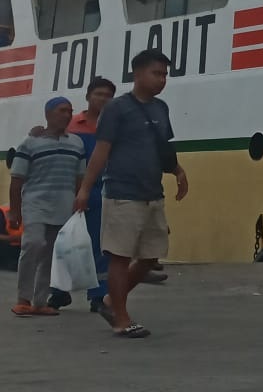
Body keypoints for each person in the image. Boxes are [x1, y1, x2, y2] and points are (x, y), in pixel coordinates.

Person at [75, 50, 188, 338]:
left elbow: (163, 148)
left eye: (165, 74)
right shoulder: (117, 109)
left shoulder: (161, 108)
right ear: (137, 74)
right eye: (156, 73)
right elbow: (102, 151)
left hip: (153, 192)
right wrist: (86, 189)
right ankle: (121, 319)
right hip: (123, 192)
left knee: (151, 257)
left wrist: (177, 171)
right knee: (120, 256)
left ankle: (112, 301)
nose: (162, 80)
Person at [41, 77, 116, 312]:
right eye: (98, 94)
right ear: (87, 97)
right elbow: (51, 139)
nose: (103, 99)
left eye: (108, 95)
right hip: (72, 188)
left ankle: (98, 294)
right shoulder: (72, 124)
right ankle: (60, 291)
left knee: (100, 244)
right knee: (64, 242)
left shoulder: (116, 124)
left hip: (102, 189)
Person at [9, 96, 87, 317]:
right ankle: (23, 298)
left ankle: (40, 302)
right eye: (62, 110)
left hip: (63, 204)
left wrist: (80, 199)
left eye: (70, 111)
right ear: (48, 113)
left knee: (50, 254)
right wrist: (15, 210)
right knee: (33, 244)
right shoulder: (30, 142)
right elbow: (17, 179)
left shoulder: (77, 143)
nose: (67, 115)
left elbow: (80, 176)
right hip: (35, 202)